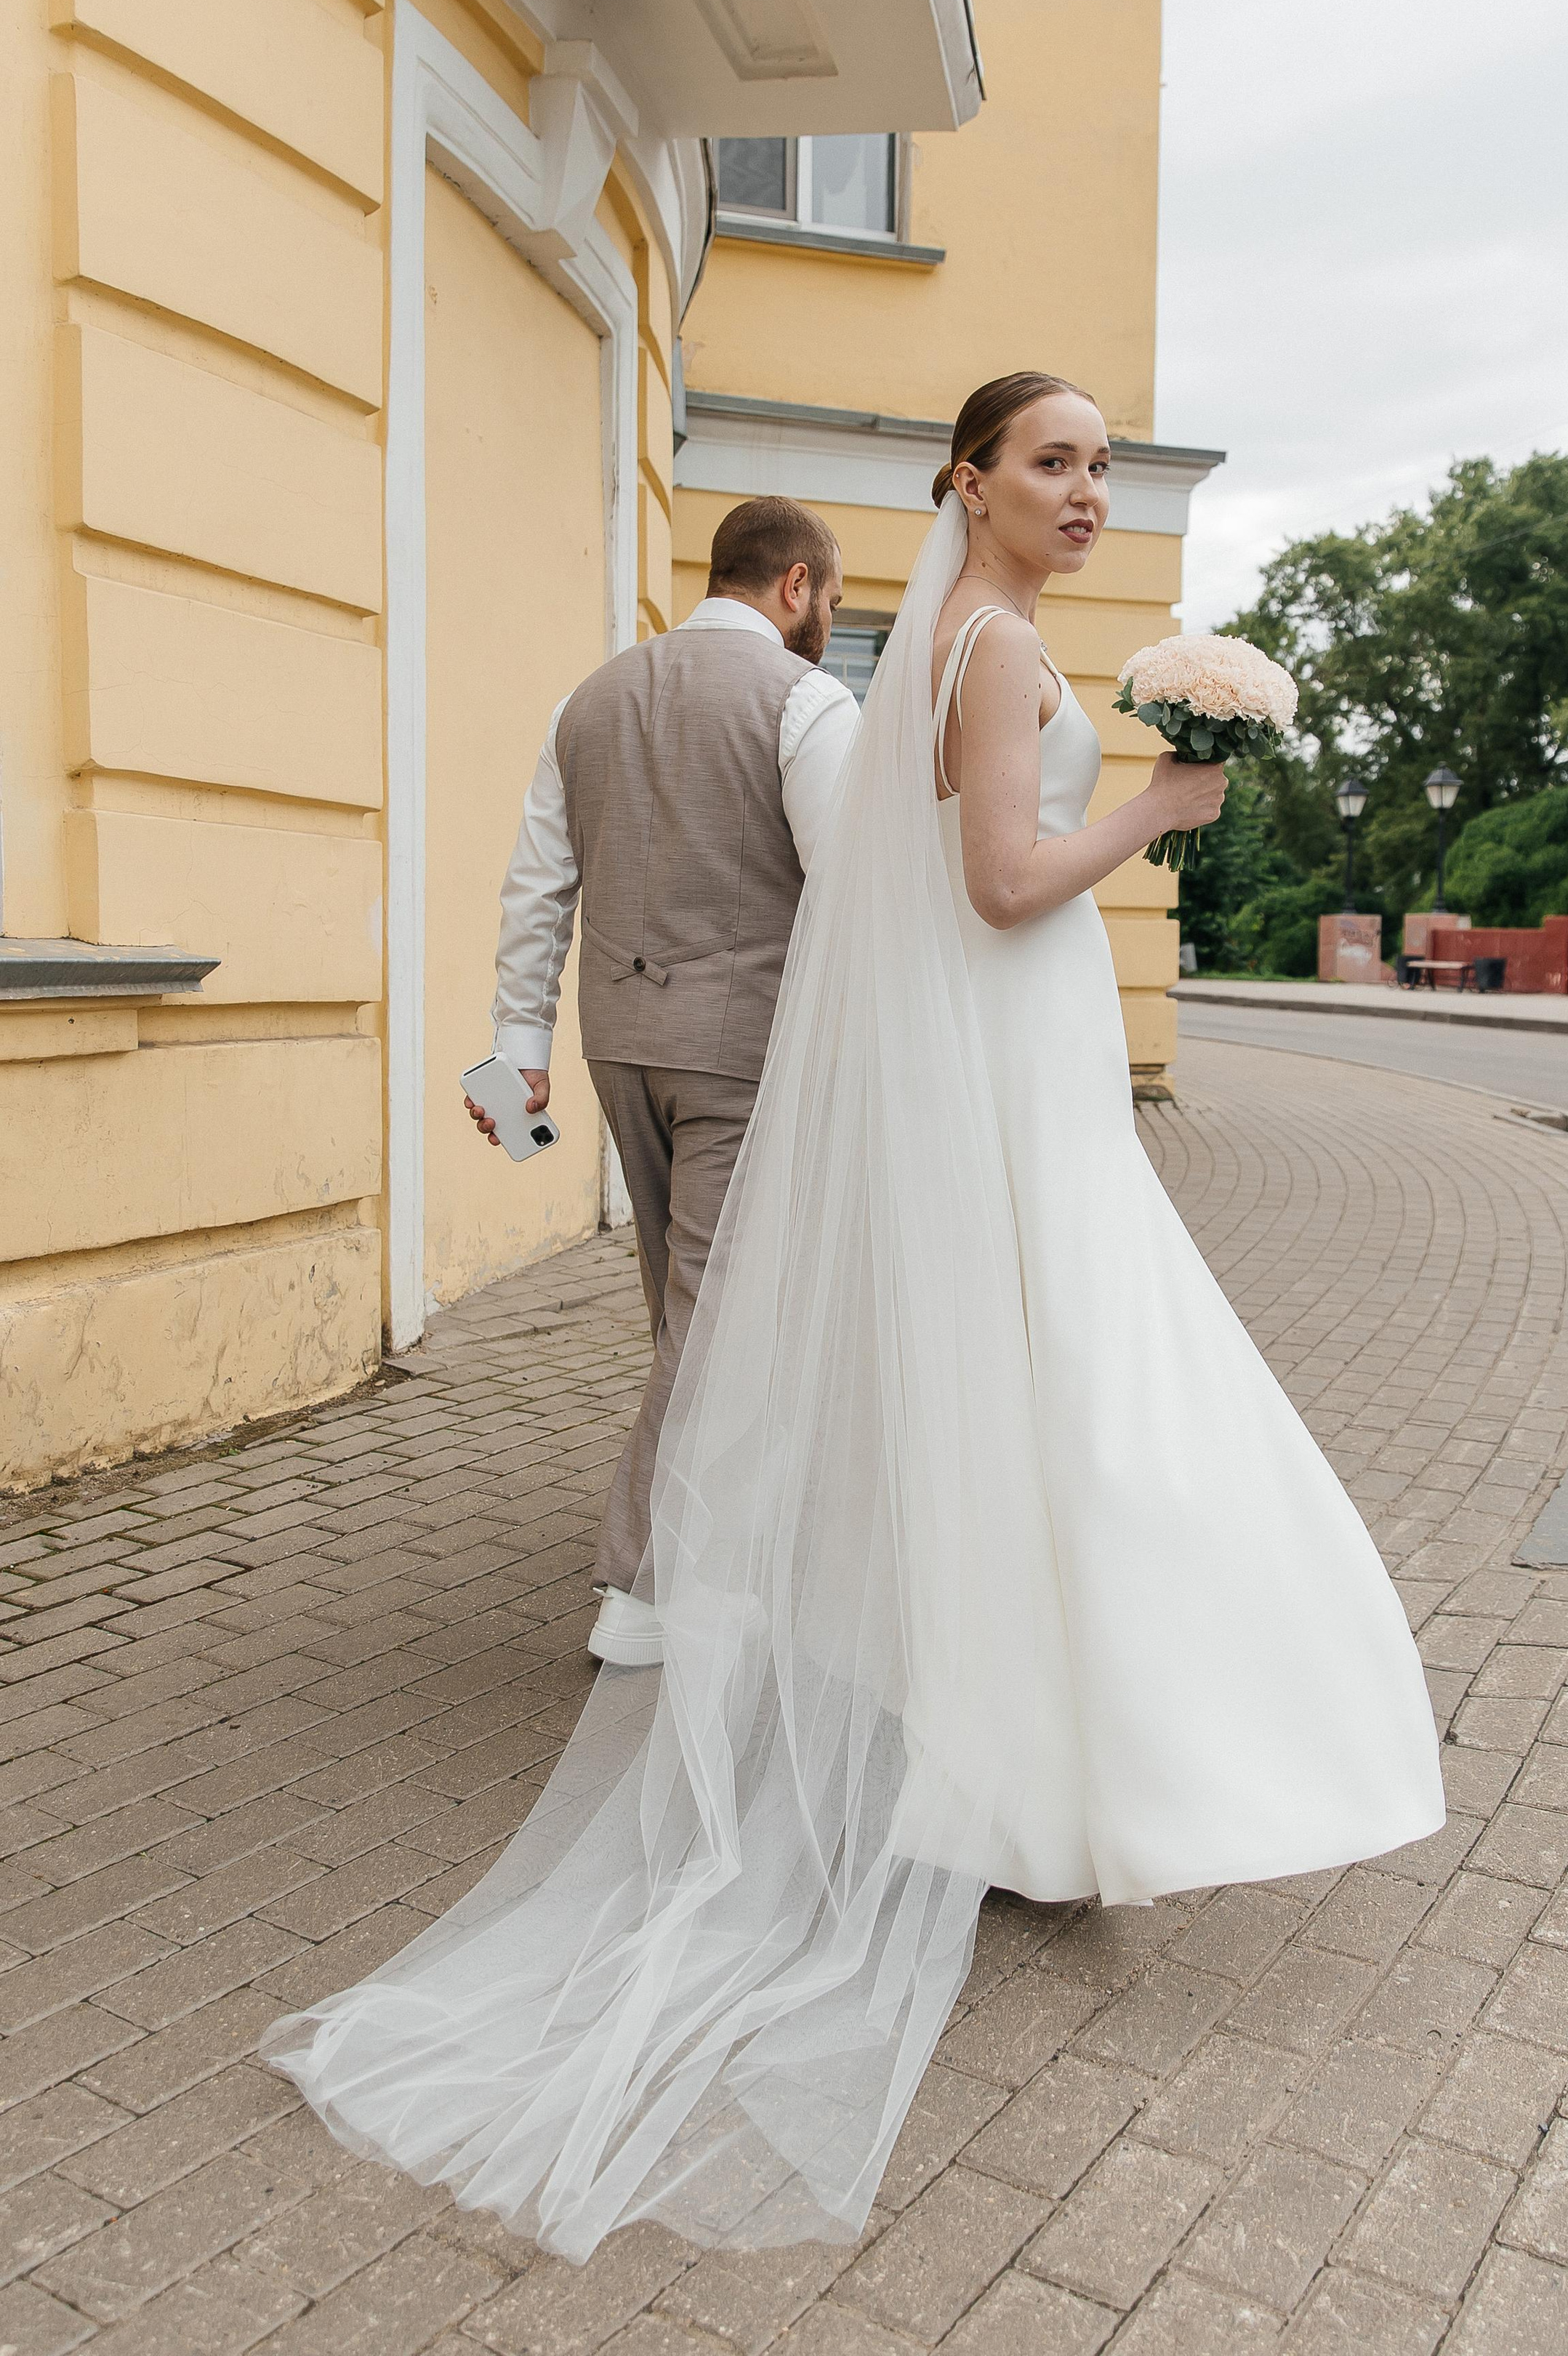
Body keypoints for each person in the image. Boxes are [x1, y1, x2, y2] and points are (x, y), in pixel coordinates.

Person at [268, 372, 1444, 2262]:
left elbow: (561, 878)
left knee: (964, 1399)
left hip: (666, 1044)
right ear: (950, 492)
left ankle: (1011, 1768)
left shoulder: (688, 684)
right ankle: (991, 1737)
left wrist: (523, 1043)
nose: (1083, 490)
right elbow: (969, 884)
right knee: (990, 1398)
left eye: (1097, 466)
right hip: (849, 1065)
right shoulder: (945, 667)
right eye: (1050, 461)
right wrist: (1157, 803)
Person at [466, 496, 859, 1668]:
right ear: (795, 584)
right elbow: (845, 895)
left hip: (614, 1043)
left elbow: (535, 892)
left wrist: (512, 1059)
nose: (829, 618)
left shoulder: (582, 702)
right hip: (743, 1048)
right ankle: (643, 1583)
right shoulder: (807, 702)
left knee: (686, 1298)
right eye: (831, 599)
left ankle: (715, 1534)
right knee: (715, 1306)